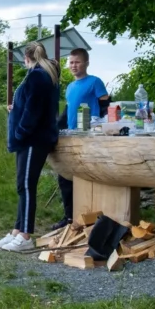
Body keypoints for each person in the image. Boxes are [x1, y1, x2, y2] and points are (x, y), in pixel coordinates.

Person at [0, 42, 60, 251]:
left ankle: (25, 235)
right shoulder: (39, 75)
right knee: (22, 185)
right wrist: (16, 109)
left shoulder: (37, 76)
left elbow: (33, 111)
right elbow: (29, 104)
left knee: (27, 186)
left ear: (26, 58)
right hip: (29, 139)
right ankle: (16, 229)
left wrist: (20, 132)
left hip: (33, 139)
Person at [53, 47, 111, 229]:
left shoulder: (94, 82)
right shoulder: (70, 87)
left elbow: (105, 105)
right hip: (71, 135)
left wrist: (97, 124)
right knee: (65, 175)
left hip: (88, 135)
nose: (74, 65)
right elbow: (69, 110)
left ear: (86, 63)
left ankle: (94, 216)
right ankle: (69, 217)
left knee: (89, 174)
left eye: (77, 62)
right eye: (71, 62)